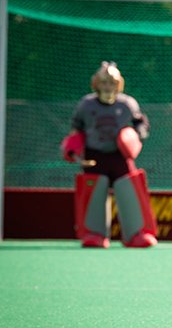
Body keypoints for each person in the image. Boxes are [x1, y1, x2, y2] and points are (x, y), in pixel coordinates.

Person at [60, 61, 157, 248]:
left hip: (120, 156)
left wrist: (136, 136)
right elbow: (76, 128)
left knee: (129, 190)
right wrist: (72, 148)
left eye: (112, 83)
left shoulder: (127, 104)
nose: (108, 87)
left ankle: (136, 233)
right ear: (96, 84)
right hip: (94, 155)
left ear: (118, 84)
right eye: (104, 82)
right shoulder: (86, 105)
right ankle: (94, 233)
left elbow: (141, 123)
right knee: (94, 193)